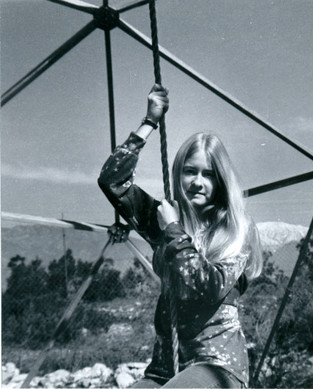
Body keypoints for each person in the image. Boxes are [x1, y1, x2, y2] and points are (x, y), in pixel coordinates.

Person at [98, 84, 263, 388]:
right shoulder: (164, 216)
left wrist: (174, 232)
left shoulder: (237, 229)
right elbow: (112, 182)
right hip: (166, 366)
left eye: (208, 173)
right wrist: (148, 122)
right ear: (178, 173)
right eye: (190, 171)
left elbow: (211, 286)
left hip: (217, 366)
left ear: (222, 179)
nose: (198, 182)